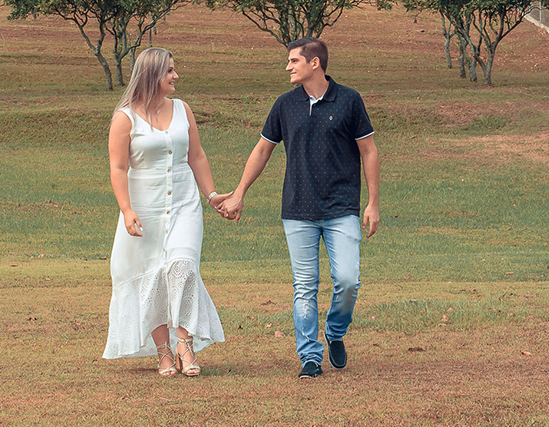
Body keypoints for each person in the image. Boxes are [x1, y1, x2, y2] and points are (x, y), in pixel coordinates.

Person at [218, 37, 379, 379]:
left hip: (342, 208)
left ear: (314, 63)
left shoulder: (349, 100)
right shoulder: (284, 105)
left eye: (294, 61)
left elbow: (369, 151)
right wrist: (239, 192)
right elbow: (263, 150)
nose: (288, 67)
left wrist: (373, 203)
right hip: (298, 210)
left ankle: (335, 332)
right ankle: (309, 356)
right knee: (305, 287)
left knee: (348, 280)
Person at [102, 47, 225, 376]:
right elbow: (117, 167)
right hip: (145, 207)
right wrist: (126, 210)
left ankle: (184, 343)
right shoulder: (125, 118)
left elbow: (196, 156)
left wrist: (210, 194)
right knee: (154, 274)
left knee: (182, 266)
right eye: (169, 71)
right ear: (152, 75)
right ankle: (163, 351)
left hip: (185, 202)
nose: (176, 76)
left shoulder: (183, 110)